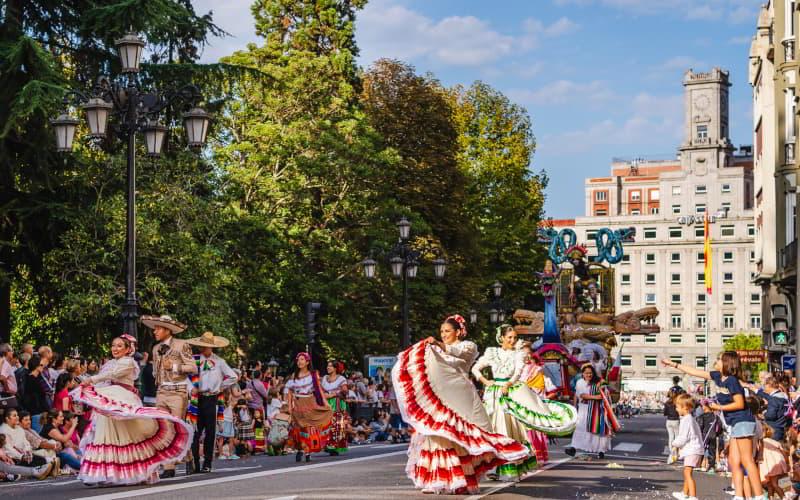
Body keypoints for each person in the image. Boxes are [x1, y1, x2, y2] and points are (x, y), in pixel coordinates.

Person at [392, 315, 529, 495]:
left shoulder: (468, 346)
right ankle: (437, 480)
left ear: (458, 332)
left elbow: (457, 355)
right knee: (437, 432)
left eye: (447, 331)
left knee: (461, 435)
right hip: (442, 396)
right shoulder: (435, 349)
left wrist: (439, 345)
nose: (444, 334)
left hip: (461, 396)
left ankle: (461, 479)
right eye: (442, 331)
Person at [70, 336, 193, 485]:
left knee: (128, 436)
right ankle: (105, 474)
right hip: (111, 399)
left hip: (124, 399)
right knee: (107, 435)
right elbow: (107, 377)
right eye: (113, 345)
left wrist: (92, 380)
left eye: (119, 346)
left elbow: (113, 375)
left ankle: (132, 472)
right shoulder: (112, 363)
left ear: (128, 349)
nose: (115, 348)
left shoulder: (128, 362)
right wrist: (91, 385)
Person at [472, 325, 577, 480]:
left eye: (514, 337)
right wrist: (486, 382)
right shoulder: (491, 352)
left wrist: (508, 384)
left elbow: (517, 372)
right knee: (491, 428)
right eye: (509, 337)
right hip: (493, 394)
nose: (512, 340)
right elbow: (475, 368)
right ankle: (492, 467)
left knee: (508, 429)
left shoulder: (518, 354)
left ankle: (508, 465)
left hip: (509, 392)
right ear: (501, 338)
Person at [662, 353, 767, 500]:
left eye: (719, 359)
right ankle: (738, 495)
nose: (716, 361)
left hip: (743, 421)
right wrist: (674, 364)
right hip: (734, 423)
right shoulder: (718, 376)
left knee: (747, 460)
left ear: (727, 363)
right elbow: (695, 371)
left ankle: (760, 496)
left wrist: (718, 407)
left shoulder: (732, 381)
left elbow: (740, 403)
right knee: (733, 461)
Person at [145, 314, 198, 478]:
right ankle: (172, 465)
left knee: (176, 428)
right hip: (161, 392)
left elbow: (193, 368)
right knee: (163, 428)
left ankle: (181, 460)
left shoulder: (182, 345)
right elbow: (156, 371)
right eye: (155, 329)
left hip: (177, 392)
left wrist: (174, 366)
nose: (155, 331)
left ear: (168, 330)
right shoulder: (155, 348)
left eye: (158, 328)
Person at [185, 331, 237, 473]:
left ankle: (207, 463)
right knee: (194, 431)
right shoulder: (194, 360)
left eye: (206, 346)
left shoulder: (220, 362)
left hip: (212, 398)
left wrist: (221, 387)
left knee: (210, 432)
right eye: (201, 346)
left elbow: (233, 377)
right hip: (197, 399)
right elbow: (187, 378)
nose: (203, 349)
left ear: (212, 347)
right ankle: (195, 462)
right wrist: (191, 389)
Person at [284, 352, 332, 463]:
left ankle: (307, 452)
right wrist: (289, 405)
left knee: (309, 428)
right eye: (298, 360)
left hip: (310, 403)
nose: (299, 362)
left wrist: (326, 404)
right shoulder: (294, 376)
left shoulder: (313, 375)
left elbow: (319, 390)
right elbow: (290, 392)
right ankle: (301, 449)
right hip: (298, 405)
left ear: (307, 362)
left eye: (302, 359)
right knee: (298, 429)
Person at [565, 363, 620, 459]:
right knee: (580, 429)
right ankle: (573, 448)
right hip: (583, 409)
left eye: (590, 373)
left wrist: (600, 392)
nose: (589, 375)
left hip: (596, 410)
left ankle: (601, 451)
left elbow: (604, 394)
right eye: (586, 373)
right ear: (582, 374)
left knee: (597, 430)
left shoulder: (598, 382)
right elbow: (581, 395)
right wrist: (595, 397)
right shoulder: (579, 382)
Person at [670, 393, 703, 500]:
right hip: (695, 449)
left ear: (685, 407)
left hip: (692, 450)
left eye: (678, 407)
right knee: (687, 472)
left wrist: (674, 444)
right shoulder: (690, 419)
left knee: (687, 473)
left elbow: (683, 437)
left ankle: (693, 496)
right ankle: (684, 493)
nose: (676, 409)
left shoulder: (687, 420)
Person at [321, 360, 350, 455]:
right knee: (325, 425)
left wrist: (333, 394)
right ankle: (327, 444)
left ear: (335, 368)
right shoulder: (324, 378)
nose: (328, 367)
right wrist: (324, 395)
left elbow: (345, 391)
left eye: (330, 366)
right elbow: (319, 390)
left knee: (336, 425)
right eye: (327, 366)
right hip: (325, 403)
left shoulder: (341, 379)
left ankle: (335, 446)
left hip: (337, 403)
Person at [664, 391, 681, 464]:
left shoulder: (667, 403)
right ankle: (676, 453)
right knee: (677, 437)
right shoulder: (676, 403)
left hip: (669, 421)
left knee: (671, 437)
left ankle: (671, 453)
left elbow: (665, 413)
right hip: (676, 420)